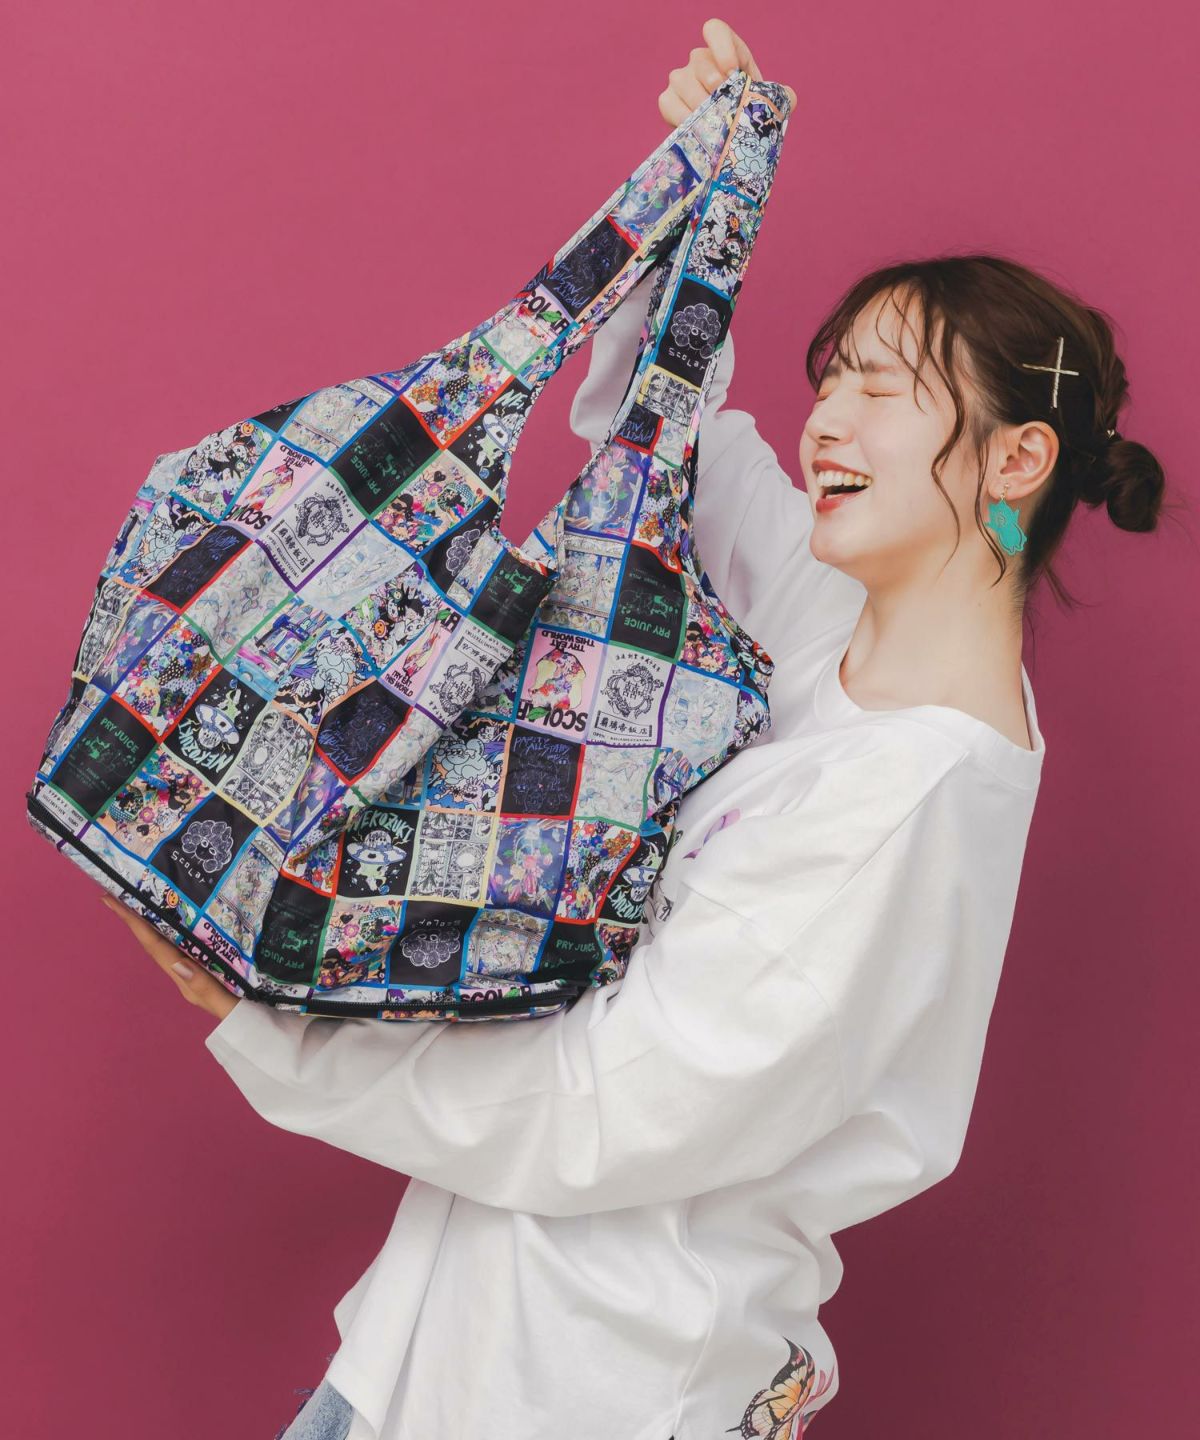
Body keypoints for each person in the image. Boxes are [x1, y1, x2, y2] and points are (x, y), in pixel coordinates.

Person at [104, 19, 1169, 1440]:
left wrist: (272, 1023)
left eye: (882, 388)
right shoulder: (841, 632)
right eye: (831, 378)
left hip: (583, 1388)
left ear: (1017, 458)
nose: (827, 421)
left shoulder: (901, 807)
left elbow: (599, 1108)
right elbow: (663, 447)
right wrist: (703, 189)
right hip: (441, 1344)